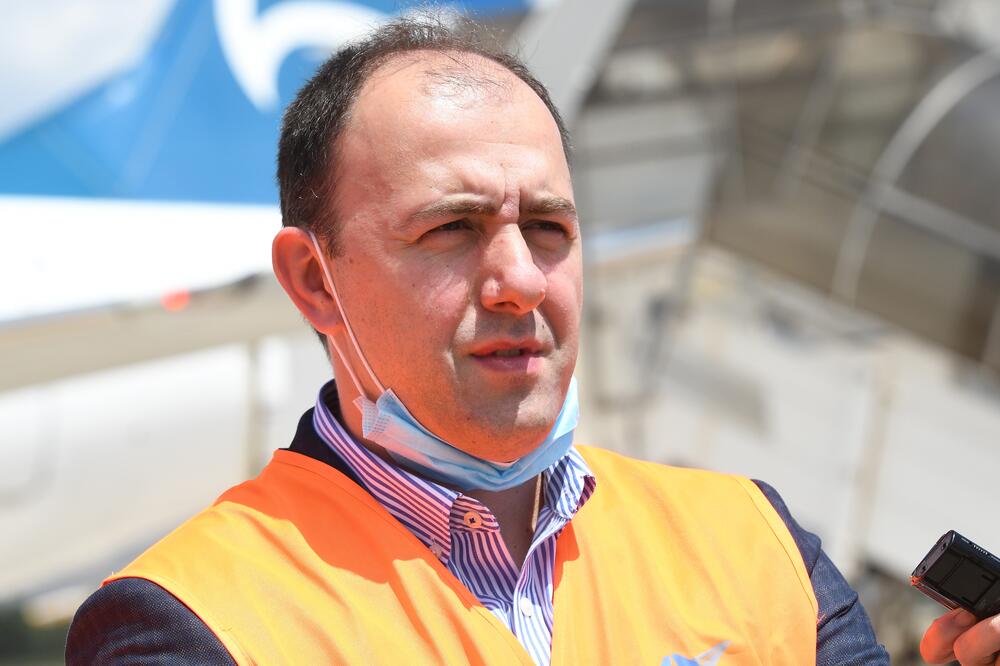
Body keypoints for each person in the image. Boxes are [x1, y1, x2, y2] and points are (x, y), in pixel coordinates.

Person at [65, 15, 997, 666]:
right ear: (315, 280)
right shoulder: (193, 623)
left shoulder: (756, 542)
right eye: (451, 229)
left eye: (549, 227)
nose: (520, 279)